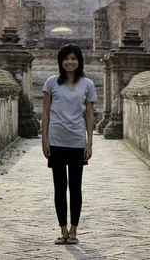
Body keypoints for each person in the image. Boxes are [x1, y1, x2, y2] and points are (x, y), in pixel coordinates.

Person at [42, 43, 97, 245]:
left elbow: (90, 116)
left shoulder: (88, 85)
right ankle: (62, 230)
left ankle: (74, 230)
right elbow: (45, 113)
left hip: (76, 141)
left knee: (75, 187)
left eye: (73, 58)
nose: (70, 62)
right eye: (66, 58)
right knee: (59, 187)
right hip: (56, 141)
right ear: (61, 61)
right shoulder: (51, 83)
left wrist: (89, 143)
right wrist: (44, 140)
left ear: (79, 61)